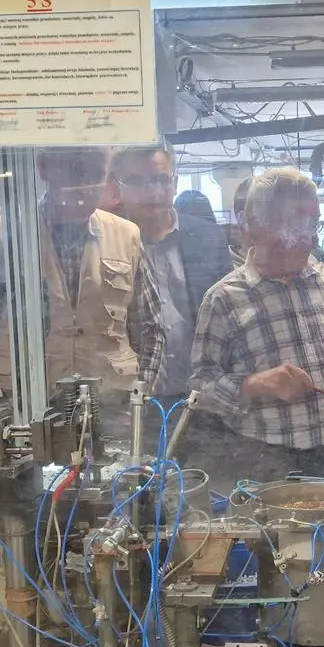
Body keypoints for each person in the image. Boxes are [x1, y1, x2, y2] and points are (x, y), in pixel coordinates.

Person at [189, 167, 324, 484]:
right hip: (266, 463)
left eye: (314, 224)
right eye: (296, 224)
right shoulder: (225, 299)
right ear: (256, 225)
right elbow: (200, 388)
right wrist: (255, 384)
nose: (310, 238)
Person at [0, 147, 145, 422]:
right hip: (26, 412)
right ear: (43, 167)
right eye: (75, 171)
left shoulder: (127, 235)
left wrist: (139, 401)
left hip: (111, 411)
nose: (84, 186)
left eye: (96, 174)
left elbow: (149, 329)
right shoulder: (1, 232)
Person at [111, 144, 234, 450]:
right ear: (117, 187)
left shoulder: (208, 237)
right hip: (132, 403)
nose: (152, 192)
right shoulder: (108, 242)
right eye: (136, 181)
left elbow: (231, 320)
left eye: (160, 179)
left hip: (202, 401)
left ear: (175, 182)